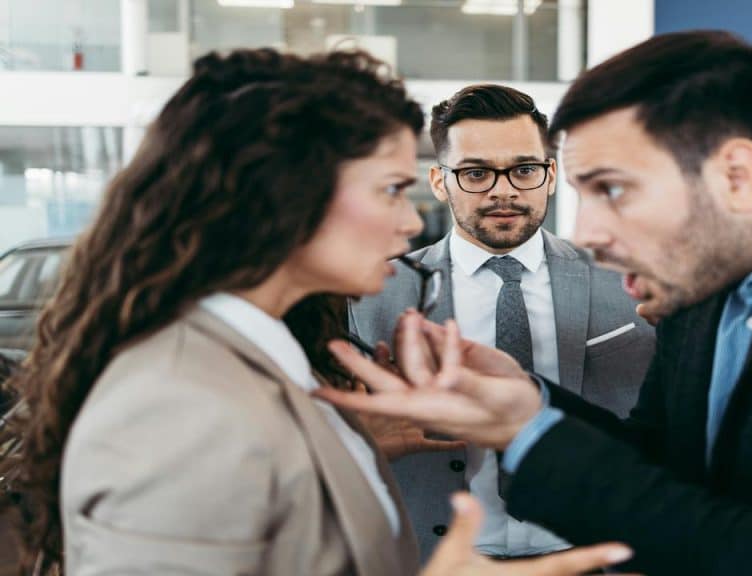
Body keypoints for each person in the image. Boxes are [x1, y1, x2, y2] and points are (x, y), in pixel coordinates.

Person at [317, 30, 752, 575]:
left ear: (737, 176)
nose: (587, 231)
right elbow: (664, 469)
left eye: (613, 189)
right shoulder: (705, 282)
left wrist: (532, 436)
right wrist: (525, 408)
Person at [2, 48, 631, 575]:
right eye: (390, 190)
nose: (411, 222)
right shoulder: (174, 404)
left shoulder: (269, 365)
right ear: (286, 198)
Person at [349, 83, 655, 560]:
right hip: (438, 561)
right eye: (475, 173)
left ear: (550, 175)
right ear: (438, 182)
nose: (504, 190)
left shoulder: (629, 282)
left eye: (524, 169)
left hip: (593, 555)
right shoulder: (371, 294)